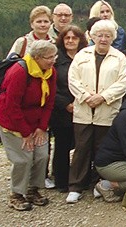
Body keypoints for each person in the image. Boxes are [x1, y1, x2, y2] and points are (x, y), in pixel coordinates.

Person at [66, 19, 126, 204]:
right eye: (100, 35)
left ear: (113, 38)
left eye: (108, 36)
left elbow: (122, 83)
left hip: (106, 110)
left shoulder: (119, 57)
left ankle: (99, 183)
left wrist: (102, 97)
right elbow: (73, 80)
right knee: (81, 148)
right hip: (84, 111)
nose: (103, 39)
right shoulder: (81, 55)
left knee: (103, 150)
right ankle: (76, 186)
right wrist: (86, 97)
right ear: (92, 36)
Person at [0, 40, 57, 211]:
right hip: (12, 122)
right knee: (22, 159)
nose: (53, 60)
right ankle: (16, 194)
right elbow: (11, 105)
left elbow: (49, 102)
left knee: (42, 156)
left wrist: (41, 127)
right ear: (36, 58)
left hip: (36, 120)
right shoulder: (19, 72)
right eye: (48, 57)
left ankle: (33, 190)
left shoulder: (50, 71)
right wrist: (25, 132)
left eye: (54, 56)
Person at [50, 25, 87, 193]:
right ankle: (61, 180)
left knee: (82, 146)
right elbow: (51, 87)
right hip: (62, 110)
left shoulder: (87, 57)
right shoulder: (56, 61)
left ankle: (81, 178)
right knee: (62, 146)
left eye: (74, 38)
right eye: (67, 38)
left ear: (80, 41)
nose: (71, 41)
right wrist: (65, 104)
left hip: (84, 107)